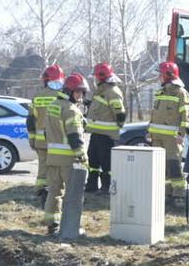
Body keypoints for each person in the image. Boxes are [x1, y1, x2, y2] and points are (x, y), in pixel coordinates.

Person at [42, 73, 88, 236]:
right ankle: (72, 227)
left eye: (82, 92)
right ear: (69, 92)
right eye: (78, 92)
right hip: (69, 159)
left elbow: (46, 133)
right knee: (73, 194)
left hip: (52, 158)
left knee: (54, 192)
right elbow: (74, 136)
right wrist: (81, 156)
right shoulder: (71, 110)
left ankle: (52, 226)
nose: (80, 96)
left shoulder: (53, 105)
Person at [149, 61, 189, 196]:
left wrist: (181, 134)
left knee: (174, 166)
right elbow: (154, 114)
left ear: (168, 75)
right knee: (162, 169)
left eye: (160, 75)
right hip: (157, 138)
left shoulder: (181, 93)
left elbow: (187, 115)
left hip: (172, 138)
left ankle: (178, 196)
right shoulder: (160, 92)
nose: (158, 78)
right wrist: (149, 132)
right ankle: (166, 194)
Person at [85, 63, 127, 194]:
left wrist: (116, 127)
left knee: (106, 164)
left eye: (96, 77)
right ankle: (91, 185)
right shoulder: (101, 91)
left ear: (102, 78)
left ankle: (106, 187)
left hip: (107, 136)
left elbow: (120, 113)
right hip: (96, 134)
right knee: (93, 161)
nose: (94, 80)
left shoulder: (113, 92)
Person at [27, 65, 65, 204]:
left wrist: (31, 139)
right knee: (58, 167)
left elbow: (31, 120)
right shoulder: (64, 96)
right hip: (59, 140)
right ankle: (55, 190)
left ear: (45, 80)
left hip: (41, 140)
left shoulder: (38, 96)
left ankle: (40, 189)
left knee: (43, 165)